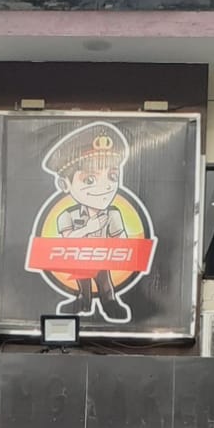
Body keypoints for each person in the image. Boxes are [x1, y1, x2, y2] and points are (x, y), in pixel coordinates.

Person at [42, 122, 137, 321]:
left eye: (112, 176)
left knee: (104, 282)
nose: (105, 187)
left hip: (102, 260)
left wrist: (120, 246)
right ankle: (83, 301)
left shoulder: (113, 214)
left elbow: (123, 242)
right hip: (79, 260)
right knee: (82, 279)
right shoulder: (67, 215)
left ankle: (109, 302)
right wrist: (88, 228)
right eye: (90, 180)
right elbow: (66, 242)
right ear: (65, 184)